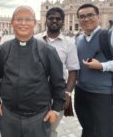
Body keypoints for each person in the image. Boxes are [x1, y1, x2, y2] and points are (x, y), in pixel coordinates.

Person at [0, 5, 65, 137]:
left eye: (28, 20)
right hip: (9, 116)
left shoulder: (48, 51)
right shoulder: (2, 50)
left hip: (39, 118)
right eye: (19, 19)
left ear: (34, 23)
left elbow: (58, 83)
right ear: (12, 22)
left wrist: (56, 110)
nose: (23, 23)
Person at [75, 3, 113, 137]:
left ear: (98, 16)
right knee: (87, 128)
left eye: (90, 15)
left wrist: (103, 66)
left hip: (103, 94)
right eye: (81, 16)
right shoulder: (78, 39)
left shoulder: (112, 35)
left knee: (104, 131)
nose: (86, 19)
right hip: (81, 92)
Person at [41, 7, 80, 137]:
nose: (54, 21)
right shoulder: (35, 39)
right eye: (51, 18)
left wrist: (68, 93)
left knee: (51, 128)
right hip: (35, 91)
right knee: (34, 127)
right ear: (46, 20)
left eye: (58, 19)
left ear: (63, 22)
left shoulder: (69, 44)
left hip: (57, 92)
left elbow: (73, 71)